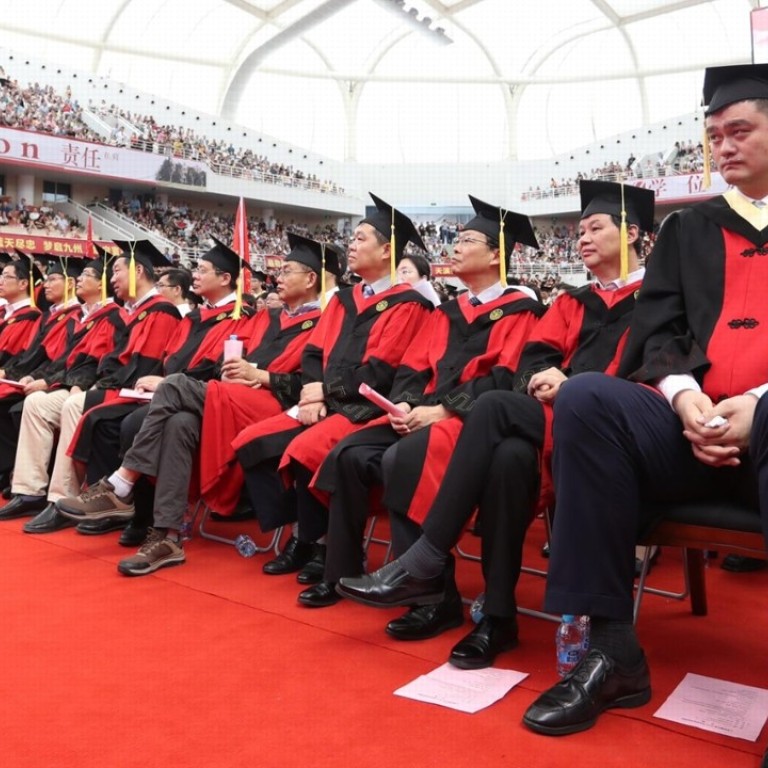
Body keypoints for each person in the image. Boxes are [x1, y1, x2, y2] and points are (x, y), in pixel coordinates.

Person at [519, 63, 768, 737]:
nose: (722, 147)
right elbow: (658, 335)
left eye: (739, 130)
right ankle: (611, 651)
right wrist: (686, 399)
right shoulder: (691, 232)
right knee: (590, 401)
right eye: (714, 135)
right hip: (693, 431)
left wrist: (757, 406)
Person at [337, 182, 654, 654]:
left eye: (595, 228)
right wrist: (543, 377)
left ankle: (424, 562)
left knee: (494, 419)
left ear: (631, 234)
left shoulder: (657, 299)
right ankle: (498, 619)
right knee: (506, 457)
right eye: (579, 229)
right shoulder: (571, 302)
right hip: (547, 420)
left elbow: (657, 369)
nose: (582, 237)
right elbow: (532, 359)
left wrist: (574, 385)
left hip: (612, 428)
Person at [304, 196, 544, 609]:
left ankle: (434, 595)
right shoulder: (446, 312)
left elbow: (507, 378)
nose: (455, 245)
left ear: (495, 256)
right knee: (350, 453)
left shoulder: (521, 312)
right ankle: (341, 572)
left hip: (471, 421)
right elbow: (412, 368)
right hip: (423, 415)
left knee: (403, 458)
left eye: (467, 239)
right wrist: (407, 407)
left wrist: (444, 408)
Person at [57, 233, 335, 575]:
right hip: (231, 396)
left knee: (173, 387)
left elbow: (313, 385)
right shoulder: (267, 317)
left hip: (272, 406)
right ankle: (167, 535)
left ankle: (122, 482)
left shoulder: (326, 321)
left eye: (287, 270)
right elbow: (228, 359)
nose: (277, 276)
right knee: (179, 424)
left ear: (310, 279)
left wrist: (263, 377)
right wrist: (233, 369)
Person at [231, 194, 433, 583]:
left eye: (360, 239)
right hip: (323, 401)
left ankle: (314, 542)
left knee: (305, 451)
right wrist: (310, 392)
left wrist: (325, 394)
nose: (351, 246)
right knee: (253, 442)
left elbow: (381, 370)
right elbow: (313, 352)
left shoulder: (408, 304)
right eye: (352, 239)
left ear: (387, 249)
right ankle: (305, 532)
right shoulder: (343, 299)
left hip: (365, 407)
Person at [0, 241, 179, 523]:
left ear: (138, 271)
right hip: (105, 384)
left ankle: (62, 498)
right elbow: (99, 359)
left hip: (131, 391)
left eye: (117, 271)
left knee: (74, 405)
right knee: (34, 403)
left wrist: (94, 384)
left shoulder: (160, 311)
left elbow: (142, 364)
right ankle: (30, 490)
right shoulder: (133, 311)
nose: (113, 279)